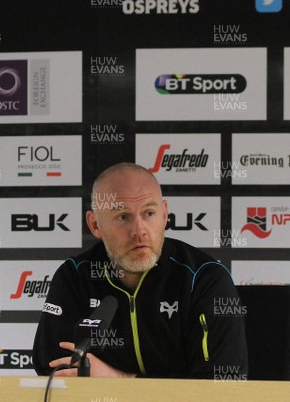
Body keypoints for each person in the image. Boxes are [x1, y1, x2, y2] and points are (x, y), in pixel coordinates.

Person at [33, 162, 248, 379]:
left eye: (149, 213)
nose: (139, 231)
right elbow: (52, 365)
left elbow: (220, 385)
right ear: (95, 224)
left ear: (165, 215)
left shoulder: (204, 278)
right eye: (123, 216)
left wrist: (120, 380)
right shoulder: (74, 276)